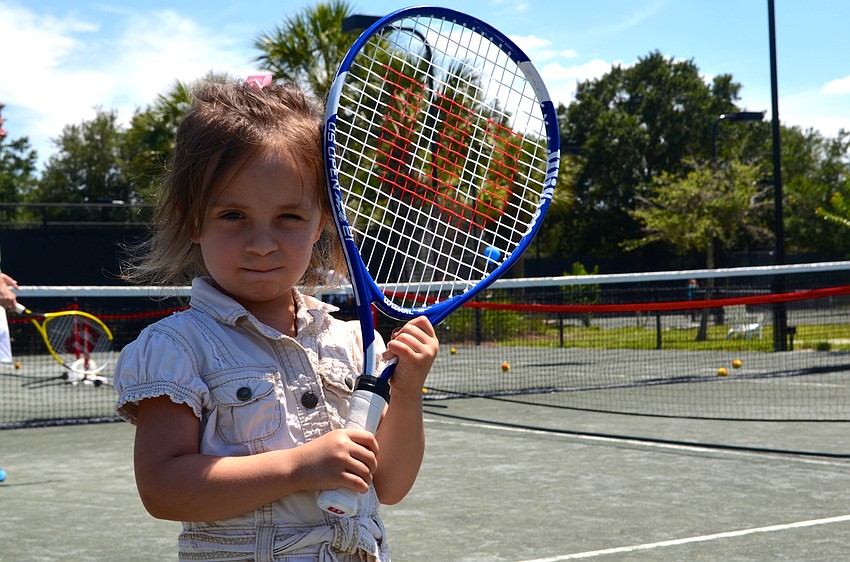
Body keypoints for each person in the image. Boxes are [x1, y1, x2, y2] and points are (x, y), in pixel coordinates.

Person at [113, 76, 439, 561]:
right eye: (233, 216)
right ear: (192, 220)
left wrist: (408, 393)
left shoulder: (352, 342)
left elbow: (389, 484)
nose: (262, 243)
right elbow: (162, 488)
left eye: (289, 217)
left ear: (322, 221)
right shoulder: (178, 348)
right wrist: (299, 467)